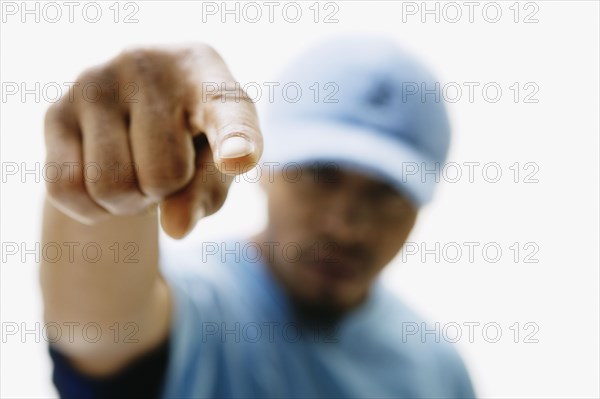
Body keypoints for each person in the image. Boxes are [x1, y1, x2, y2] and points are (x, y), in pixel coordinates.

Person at [41, 35, 476, 398]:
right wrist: (109, 171)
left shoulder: (435, 368)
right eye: (320, 175)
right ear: (265, 169)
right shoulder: (204, 306)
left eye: (387, 194)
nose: (346, 227)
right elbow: (96, 331)